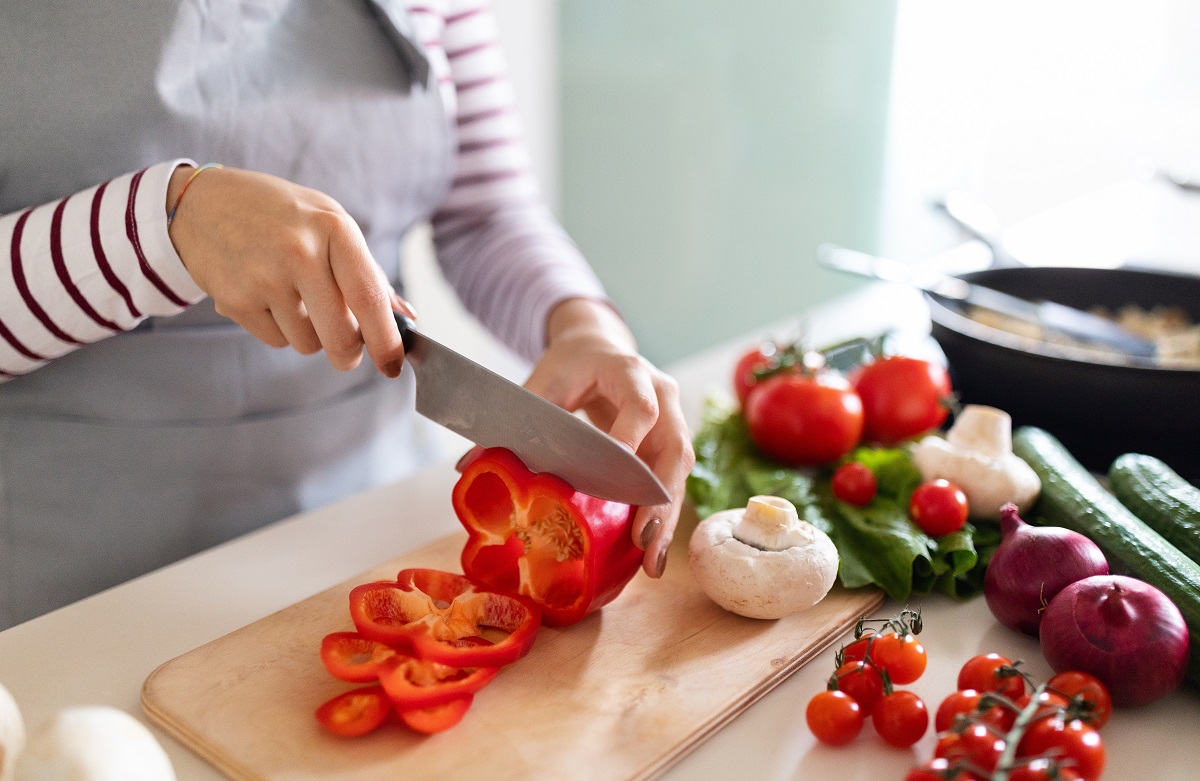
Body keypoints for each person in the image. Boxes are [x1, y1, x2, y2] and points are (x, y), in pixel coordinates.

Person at [0, 0, 694, 629]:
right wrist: (161, 225)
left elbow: (486, 212)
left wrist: (580, 325)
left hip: (362, 532)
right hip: (66, 598)